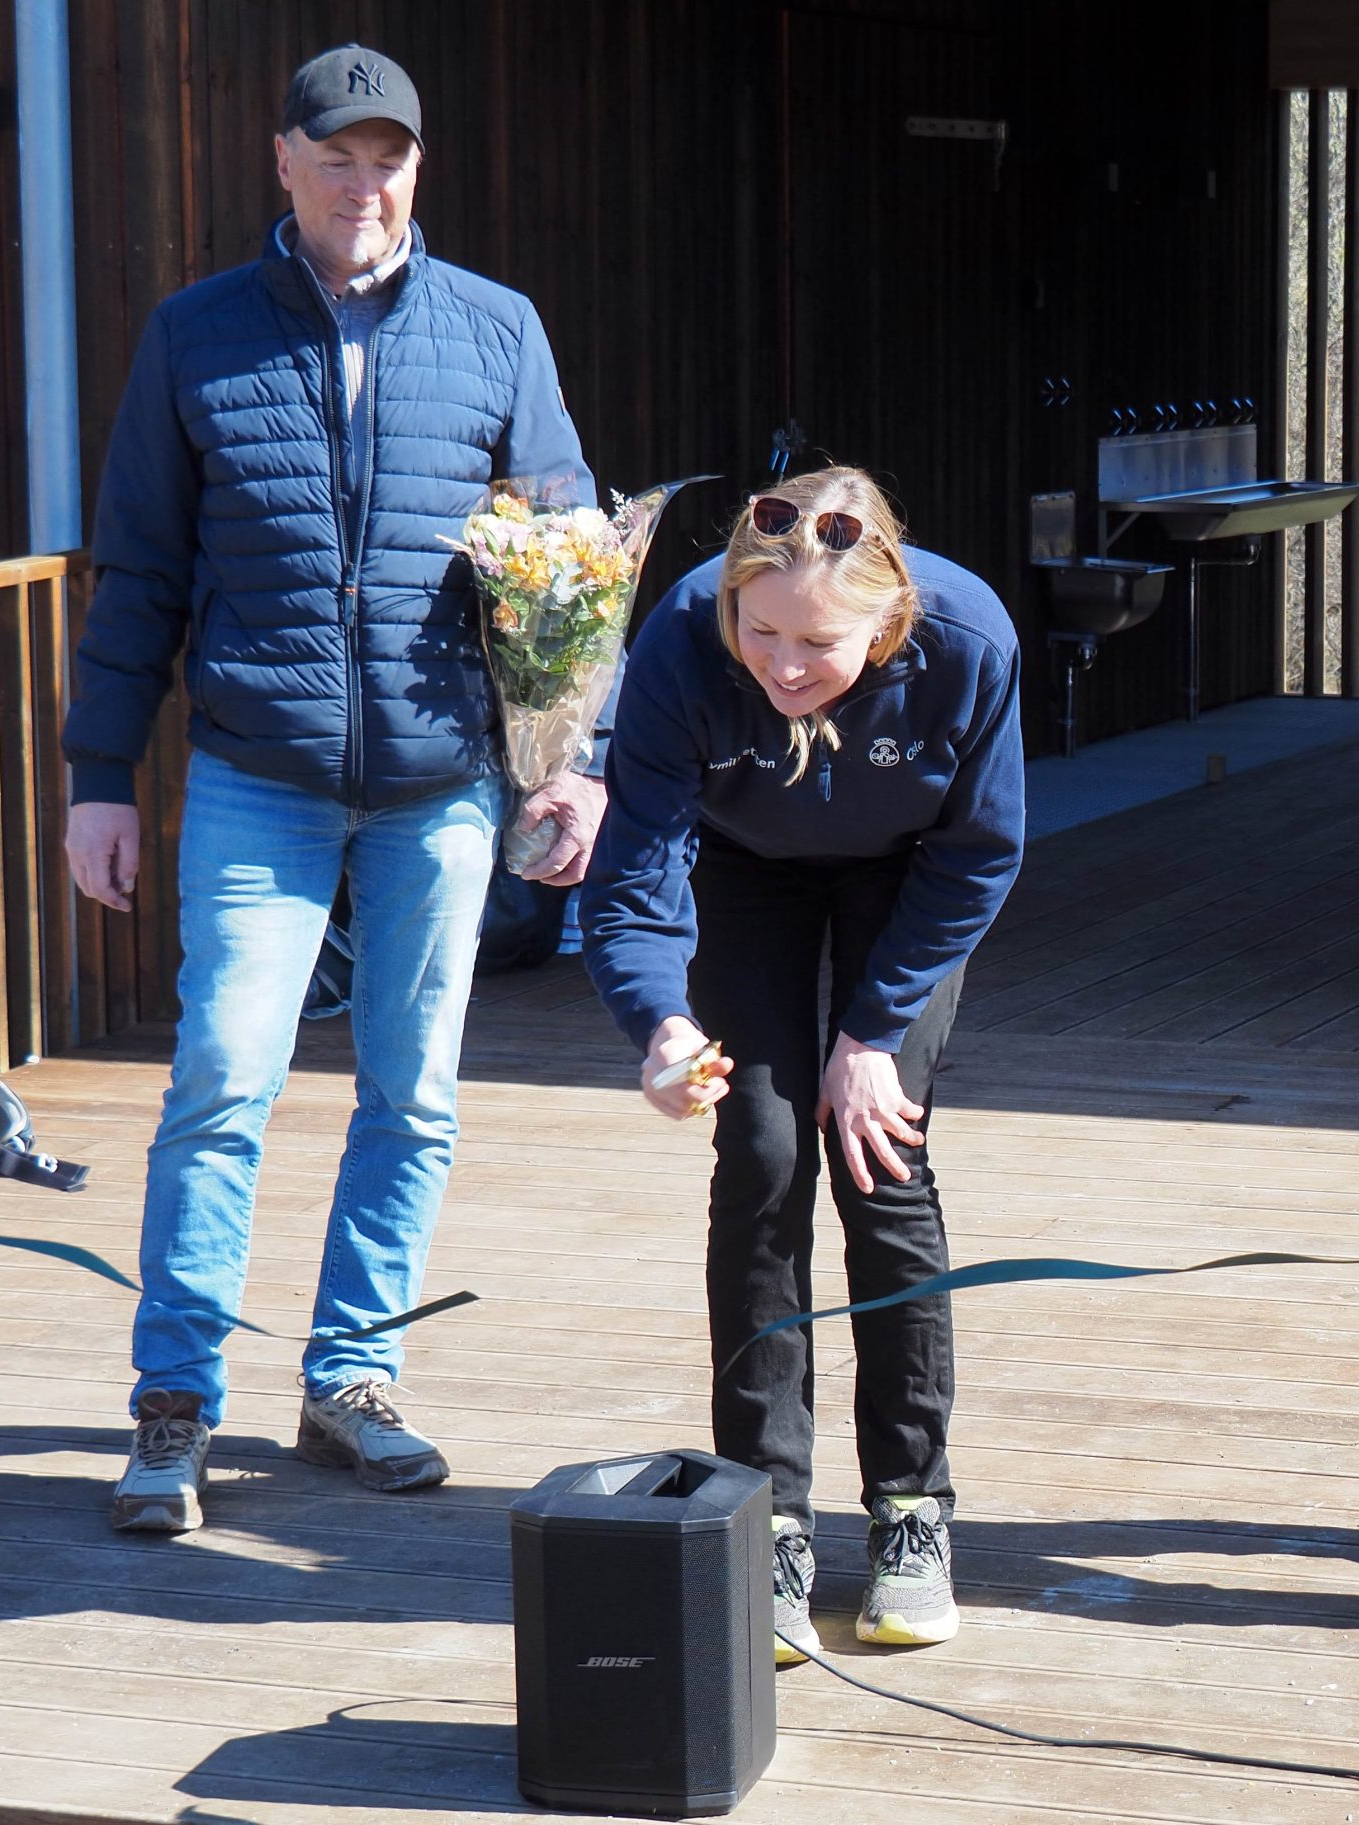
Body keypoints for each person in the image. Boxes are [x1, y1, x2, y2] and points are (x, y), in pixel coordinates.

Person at [62, 46, 606, 1533]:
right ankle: (173, 1407)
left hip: (443, 793)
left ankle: (350, 1384)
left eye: (390, 158)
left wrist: (570, 768)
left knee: (410, 1098)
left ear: (415, 171)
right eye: (338, 155)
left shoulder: (498, 334)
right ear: (284, 162)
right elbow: (142, 578)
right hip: (259, 781)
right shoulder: (196, 338)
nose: (365, 184)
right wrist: (99, 776)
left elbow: (563, 577)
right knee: (223, 1083)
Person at [581, 468, 1024, 1665]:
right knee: (766, 1150)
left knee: (878, 1154)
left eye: (816, 643)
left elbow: (981, 852)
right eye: (759, 631)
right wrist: (662, 1027)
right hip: (746, 869)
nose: (781, 665)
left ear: (884, 620)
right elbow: (634, 874)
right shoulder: (682, 637)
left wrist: (873, 1034)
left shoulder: (970, 638)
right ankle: (765, 1518)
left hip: (911, 872)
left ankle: (910, 1509)